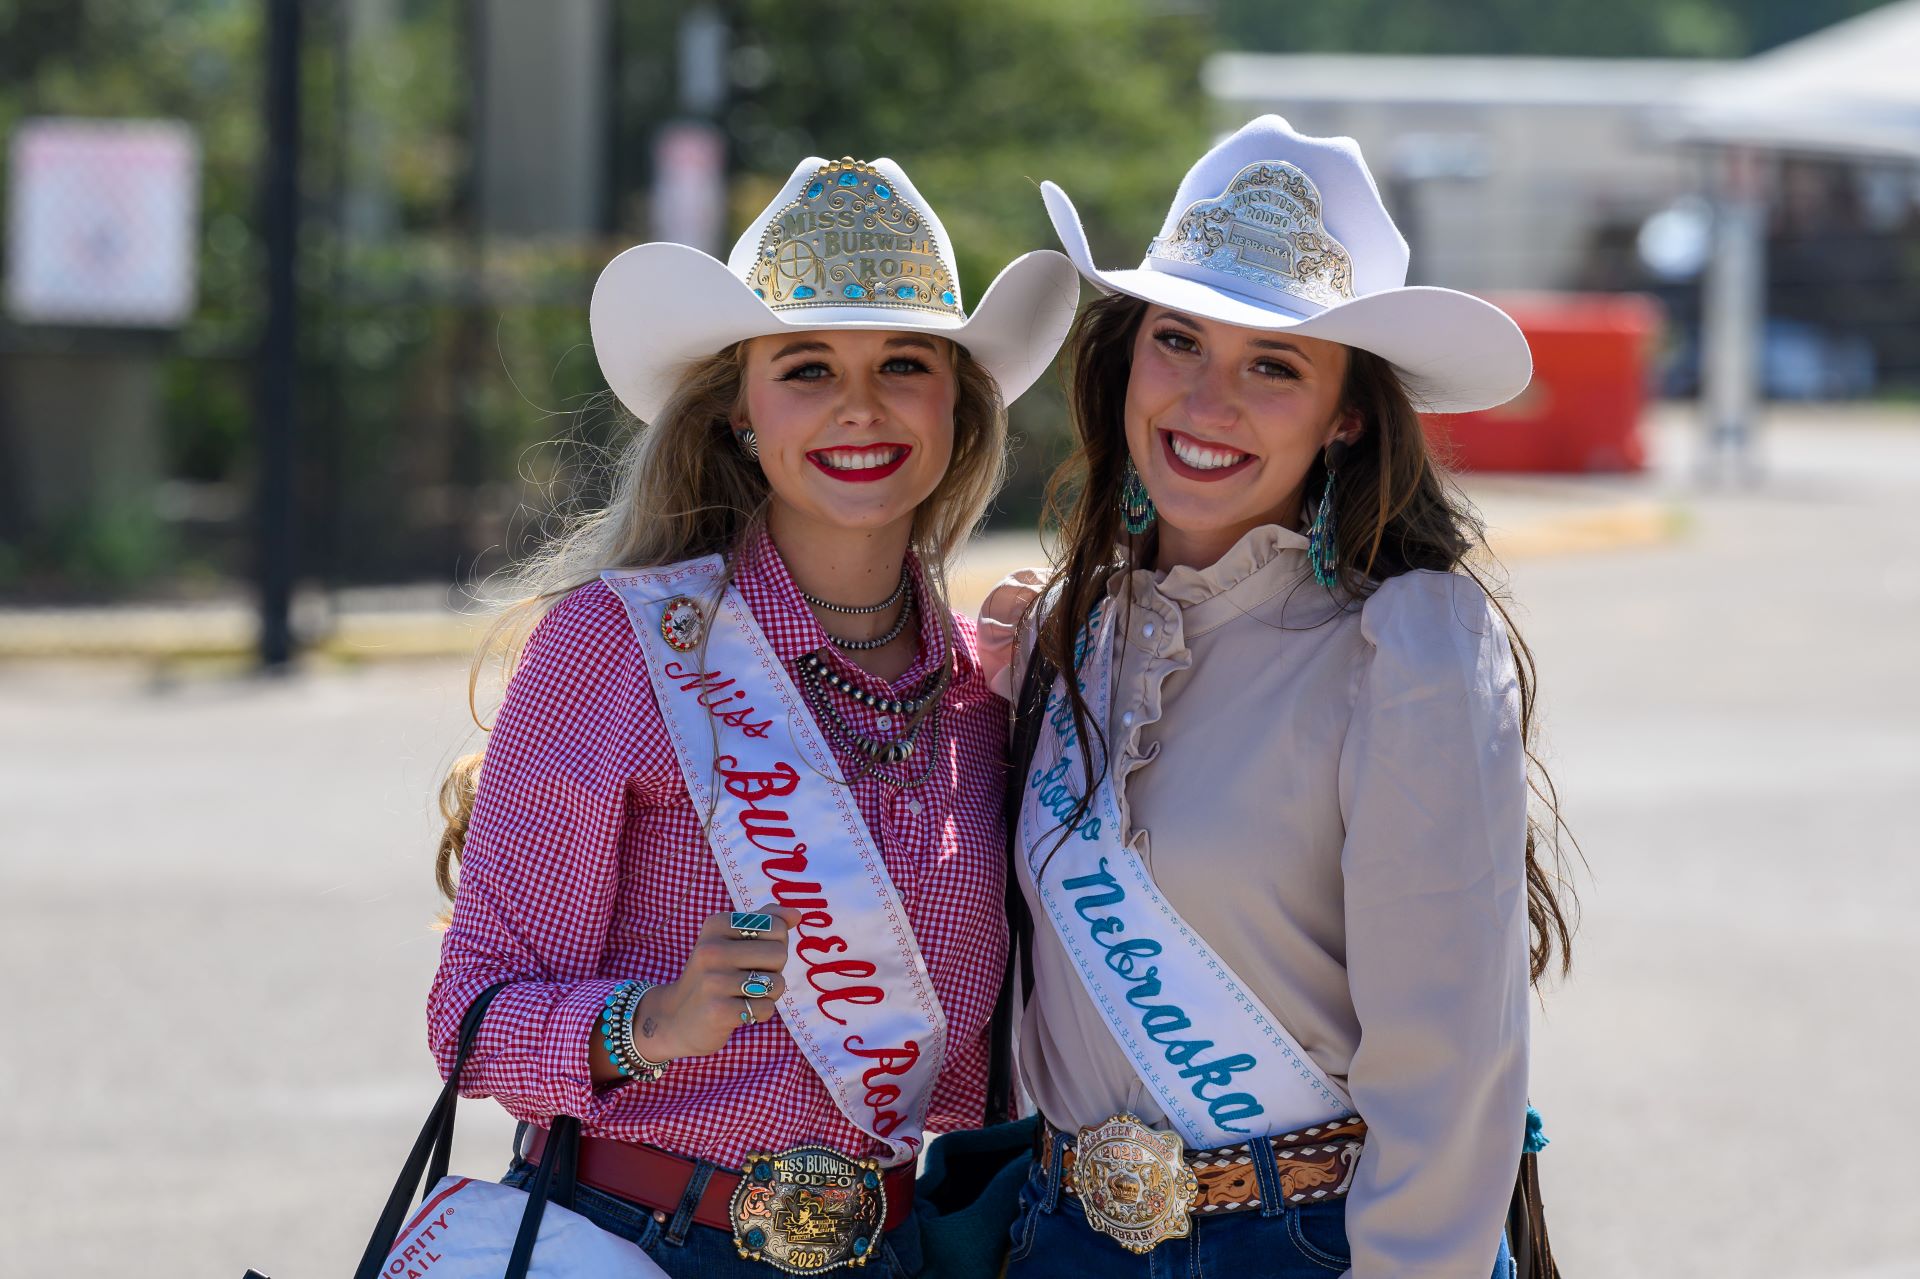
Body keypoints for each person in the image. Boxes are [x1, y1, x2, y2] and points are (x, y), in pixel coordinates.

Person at [425, 154, 1078, 1279]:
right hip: (639, 1242)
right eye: (808, 367)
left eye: (904, 363)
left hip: (895, 1254)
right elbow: (471, 1015)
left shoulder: (992, 692)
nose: (859, 405)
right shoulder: (616, 646)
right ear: (740, 408)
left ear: (955, 405)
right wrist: (654, 1022)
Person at [979, 116, 1576, 1278]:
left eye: (1273, 365)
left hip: (1297, 1248)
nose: (1207, 400)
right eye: (1179, 341)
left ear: (1346, 414)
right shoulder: (1074, 635)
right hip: (1057, 1241)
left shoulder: (1403, 645)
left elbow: (1449, 1070)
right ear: (1125, 358)